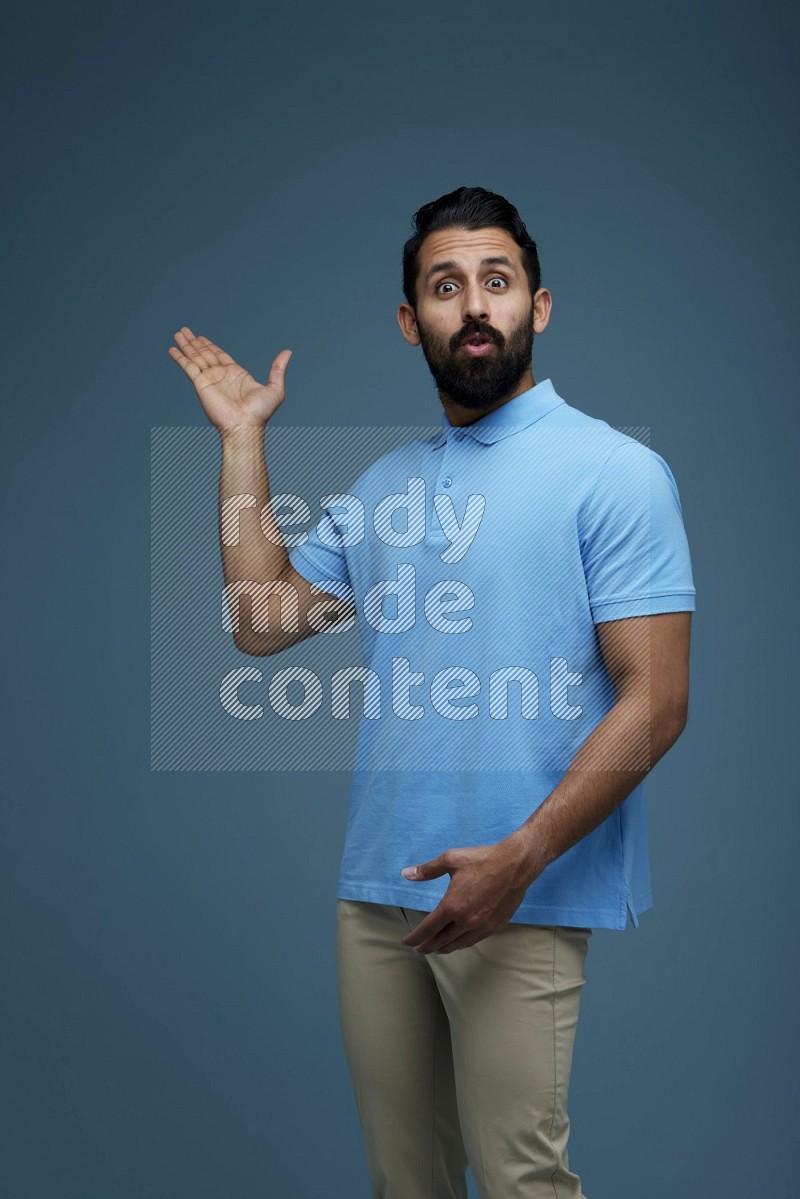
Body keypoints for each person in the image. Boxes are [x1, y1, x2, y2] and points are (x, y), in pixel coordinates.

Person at [168, 185, 695, 1199]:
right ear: (413, 322)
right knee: (404, 1183)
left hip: (518, 892)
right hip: (378, 891)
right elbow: (259, 618)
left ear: (537, 304)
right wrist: (241, 439)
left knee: (518, 1180)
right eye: (444, 286)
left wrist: (520, 858)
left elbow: (655, 701)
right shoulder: (386, 484)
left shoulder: (614, 473)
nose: (474, 304)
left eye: (496, 280)